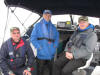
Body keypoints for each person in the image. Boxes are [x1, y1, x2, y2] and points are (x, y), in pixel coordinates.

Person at [30, 9, 59, 75]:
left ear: (51, 16)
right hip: (41, 54)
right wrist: (39, 47)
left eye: (49, 15)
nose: (47, 16)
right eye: (46, 15)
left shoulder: (53, 27)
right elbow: (33, 38)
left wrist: (55, 46)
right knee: (40, 71)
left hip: (51, 54)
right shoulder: (37, 25)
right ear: (43, 15)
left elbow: (57, 37)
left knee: (51, 71)